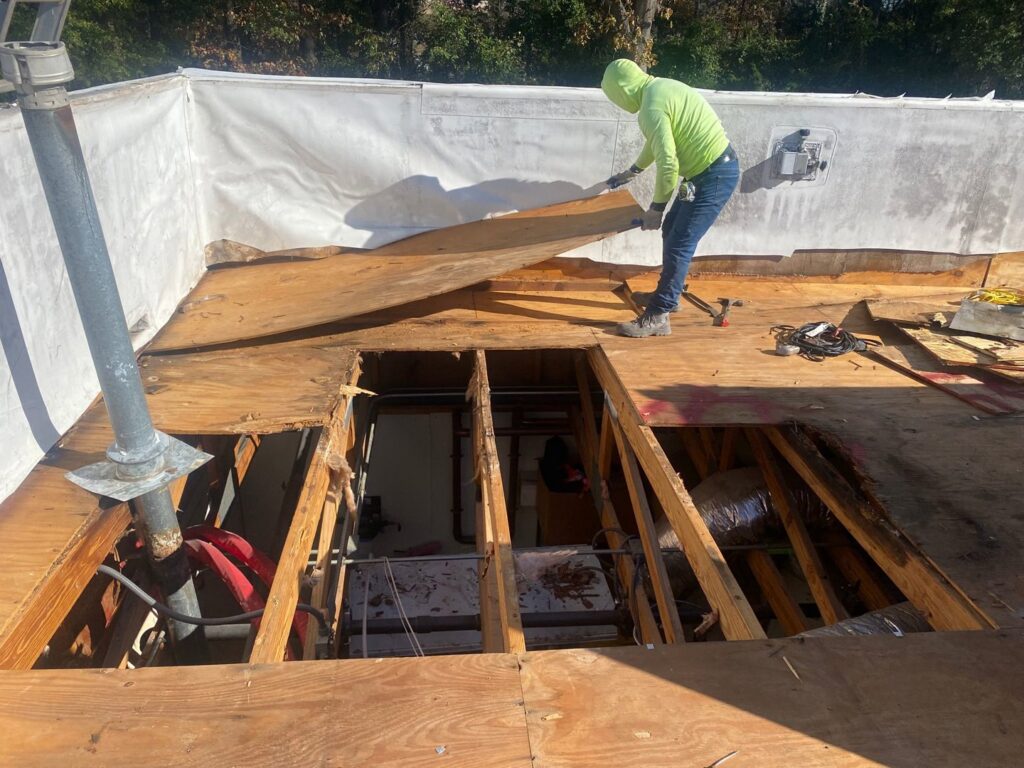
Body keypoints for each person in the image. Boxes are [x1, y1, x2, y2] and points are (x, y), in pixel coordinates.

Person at [601, 59, 740, 338]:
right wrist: (634, 171)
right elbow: (657, 143)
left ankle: (658, 316)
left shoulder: (651, 107)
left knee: (680, 243)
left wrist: (656, 208)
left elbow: (668, 163)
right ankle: (669, 296)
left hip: (713, 175)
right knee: (672, 230)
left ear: (622, 90)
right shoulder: (659, 89)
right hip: (706, 173)